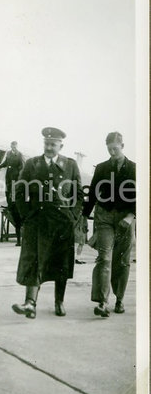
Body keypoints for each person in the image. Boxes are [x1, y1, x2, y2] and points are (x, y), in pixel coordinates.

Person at [12, 127, 84, 318]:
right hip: (37, 221)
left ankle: (59, 302)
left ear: (61, 145)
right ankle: (30, 303)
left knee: (61, 265)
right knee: (34, 262)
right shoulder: (32, 164)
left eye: (53, 144)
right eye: (47, 143)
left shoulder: (70, 165)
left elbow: (78, 195)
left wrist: (73, 217)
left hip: (62, 223)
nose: (49, 147)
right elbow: (19, 192)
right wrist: (26, 215)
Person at [83, 132, 136, 317]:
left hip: (125, 219)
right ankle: (102, 303)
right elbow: (92, 195)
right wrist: (84, 216)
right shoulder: (102, 168)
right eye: (109, 148)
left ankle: (119, 300)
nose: (112, 152)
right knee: (104, 258)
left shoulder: (134, 169)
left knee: (122, 261)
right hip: (104, 217)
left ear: (122, 146)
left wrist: (130, 216)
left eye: (115, 148)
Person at [0, 141, 24, 245]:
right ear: (11, 146)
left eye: (15, 146)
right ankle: (10, 204)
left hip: (15, 176)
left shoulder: (20, 155)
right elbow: (6, 163)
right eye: (12, 145)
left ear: (17, 146)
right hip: (9, 175)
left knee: (13, 190)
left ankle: (13, 204)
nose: (14, 147)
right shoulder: (8, 153)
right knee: (8, 190)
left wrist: (19, 177)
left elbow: (22, 166)